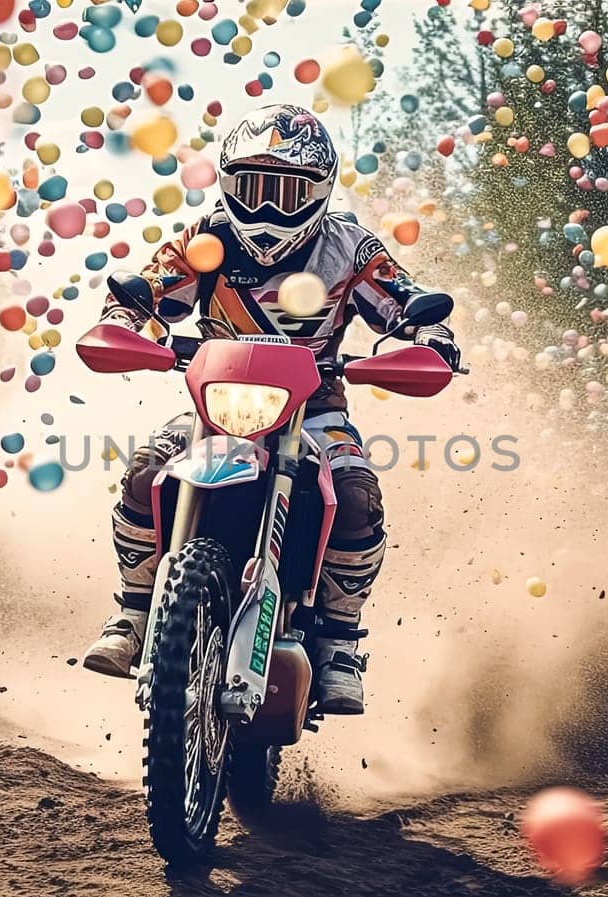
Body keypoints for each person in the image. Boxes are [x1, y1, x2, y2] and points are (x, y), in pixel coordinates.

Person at [81, 104, 458, 715]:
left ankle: (339, 642)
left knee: (356, 491)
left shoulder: (350, 247)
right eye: (254, 190)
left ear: (319, 191)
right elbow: (146, 289)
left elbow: (403, 296)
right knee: (145, 472)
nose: (267, 210)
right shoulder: (203, 242)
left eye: (287, 193)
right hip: (217, 406)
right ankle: (132, 611)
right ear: (229, 185)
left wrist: (431, 337)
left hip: (315, 408)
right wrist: (123, 319)